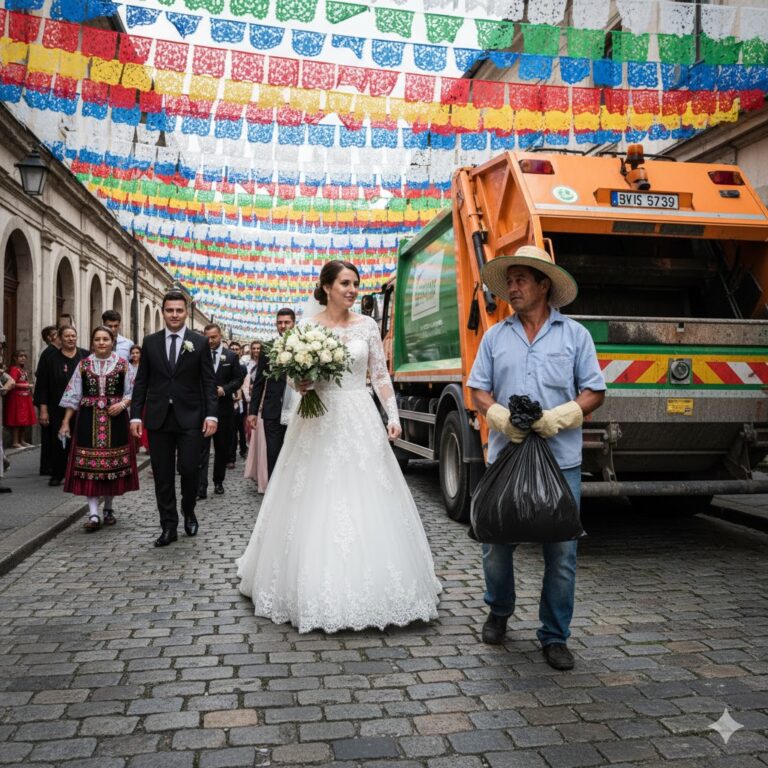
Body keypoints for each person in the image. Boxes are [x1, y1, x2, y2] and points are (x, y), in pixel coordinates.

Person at [237, 260, 441, 633]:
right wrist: (302, 382)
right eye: (345, 283)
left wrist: (393, 415)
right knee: (314, 491)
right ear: (326, 287)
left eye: (356, 284)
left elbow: (379, 376)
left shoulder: (367, 325)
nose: (352, 290)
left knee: (366, 492)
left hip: (359, 413)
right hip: (317, 419)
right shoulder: (308, 329)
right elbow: (298, 380)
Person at [467, 245, 606, 671]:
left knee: (561, 555)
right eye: (509, 281)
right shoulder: (495, 336)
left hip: (560, 462)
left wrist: (561, 416)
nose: (512, 287)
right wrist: (497, 415)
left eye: (521, 279)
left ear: (544, 285)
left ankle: (554, 636)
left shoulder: (575, 336)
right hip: (506, 458)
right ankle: (499, 610)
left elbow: (594, 391)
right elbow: (477, 389)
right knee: (496, 545)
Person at [130, 291, 218, 548]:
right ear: (163, 311)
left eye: (179, 310)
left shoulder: (199, 343)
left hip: (191, 417)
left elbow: (208, 382)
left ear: (186, 312)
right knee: (162, 475)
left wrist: (211, 414)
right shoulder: (150, 342)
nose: (175, 315)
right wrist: (136, 415)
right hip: (158, 418)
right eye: (170, 310)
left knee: (190, 469)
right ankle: (168, 526)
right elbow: (142, 382)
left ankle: (188, 510)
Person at [58, 326, 139, 530]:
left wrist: (121, 405)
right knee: (89, 467)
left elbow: (133, 392)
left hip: (116, 420)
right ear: (92, 342)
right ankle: (93, 514)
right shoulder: (83, 365)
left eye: (105, 339)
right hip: (87, 420)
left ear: (112, 342)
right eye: (97, 339)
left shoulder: (122, 365)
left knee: (112, 467)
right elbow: (73, 394)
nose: (101, 342)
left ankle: (108, 508)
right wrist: (66, 422)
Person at [33, 325, 88, 486]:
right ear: (60, 338)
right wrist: (43, 409)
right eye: (67, 336)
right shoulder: (50, 358)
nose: (71, 339)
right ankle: (58, 473)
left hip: (81, 407)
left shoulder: (85, 356)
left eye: (73, 336)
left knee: (80, 440)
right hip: (56, 407)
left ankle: (79, 472)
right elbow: (42, 385)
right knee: (58, 441)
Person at [247, 308, 296, 479]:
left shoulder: (304, 345)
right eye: (279, 323)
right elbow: (259, 382)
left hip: (297, 410)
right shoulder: (267, 348)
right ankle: (273, 496)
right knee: (273, 455)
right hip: (272, 411)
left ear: (294, 323)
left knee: (294, 456)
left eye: (286, 322)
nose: (283, 326)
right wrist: (252, 412)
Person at [197, 324, 244, 499]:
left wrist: (224, 389)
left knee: (221, 448)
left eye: (214, 337)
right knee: (201, 449)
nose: (210, 341)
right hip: (202, 409)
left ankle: (218, 482)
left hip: (223, 408)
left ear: (220, 336)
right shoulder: (197, 354)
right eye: (207, 337)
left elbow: (238, 379)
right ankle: (201, 486)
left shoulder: (230, 356)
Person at [34, 325, 60, 476]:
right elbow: (41, 375)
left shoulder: (54, 352)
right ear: (50, 338)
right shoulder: (49, 352)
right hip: (48, 399)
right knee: (49, 434)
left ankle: (51, 465)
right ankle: (47, 466)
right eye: (57, 335)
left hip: (52, 399)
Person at [242, 341, 268, 494]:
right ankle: (261, 474)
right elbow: (255, 383)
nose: (257, 351)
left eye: (259, 348)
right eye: (254, 348)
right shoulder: (249, 365)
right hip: (258, 403)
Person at [4, 349, 37, 448]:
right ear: (15, 358)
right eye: (20, 356)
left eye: (24, 356)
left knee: (24, 420)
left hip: (25, 398)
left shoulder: (23, 370)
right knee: (17, 419)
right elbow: (12, 383)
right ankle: (15, 441)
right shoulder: (14, 369)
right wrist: (26, 386)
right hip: (17, 398)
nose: (23, 358)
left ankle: (22, 440)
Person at [226, 341, 249, 465]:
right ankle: (231, 457)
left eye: (236, 348)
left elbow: (245, 382)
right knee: (232, 429)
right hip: (229, 399)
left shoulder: (243, 366)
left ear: (240, 351)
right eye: (232, 348)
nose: (234, 350)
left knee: (241, 427)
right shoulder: (225, 363)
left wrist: (241, 395)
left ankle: (243, 448)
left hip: (241, 401)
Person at [129, 345, 149, 454]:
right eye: (133, 353)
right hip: (129, 398)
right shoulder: (128, 366)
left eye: (137, 353)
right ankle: (134, 445)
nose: (135, 355)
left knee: (142, 421)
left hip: (143, 398)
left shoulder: (144, 365)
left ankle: (146, 445)